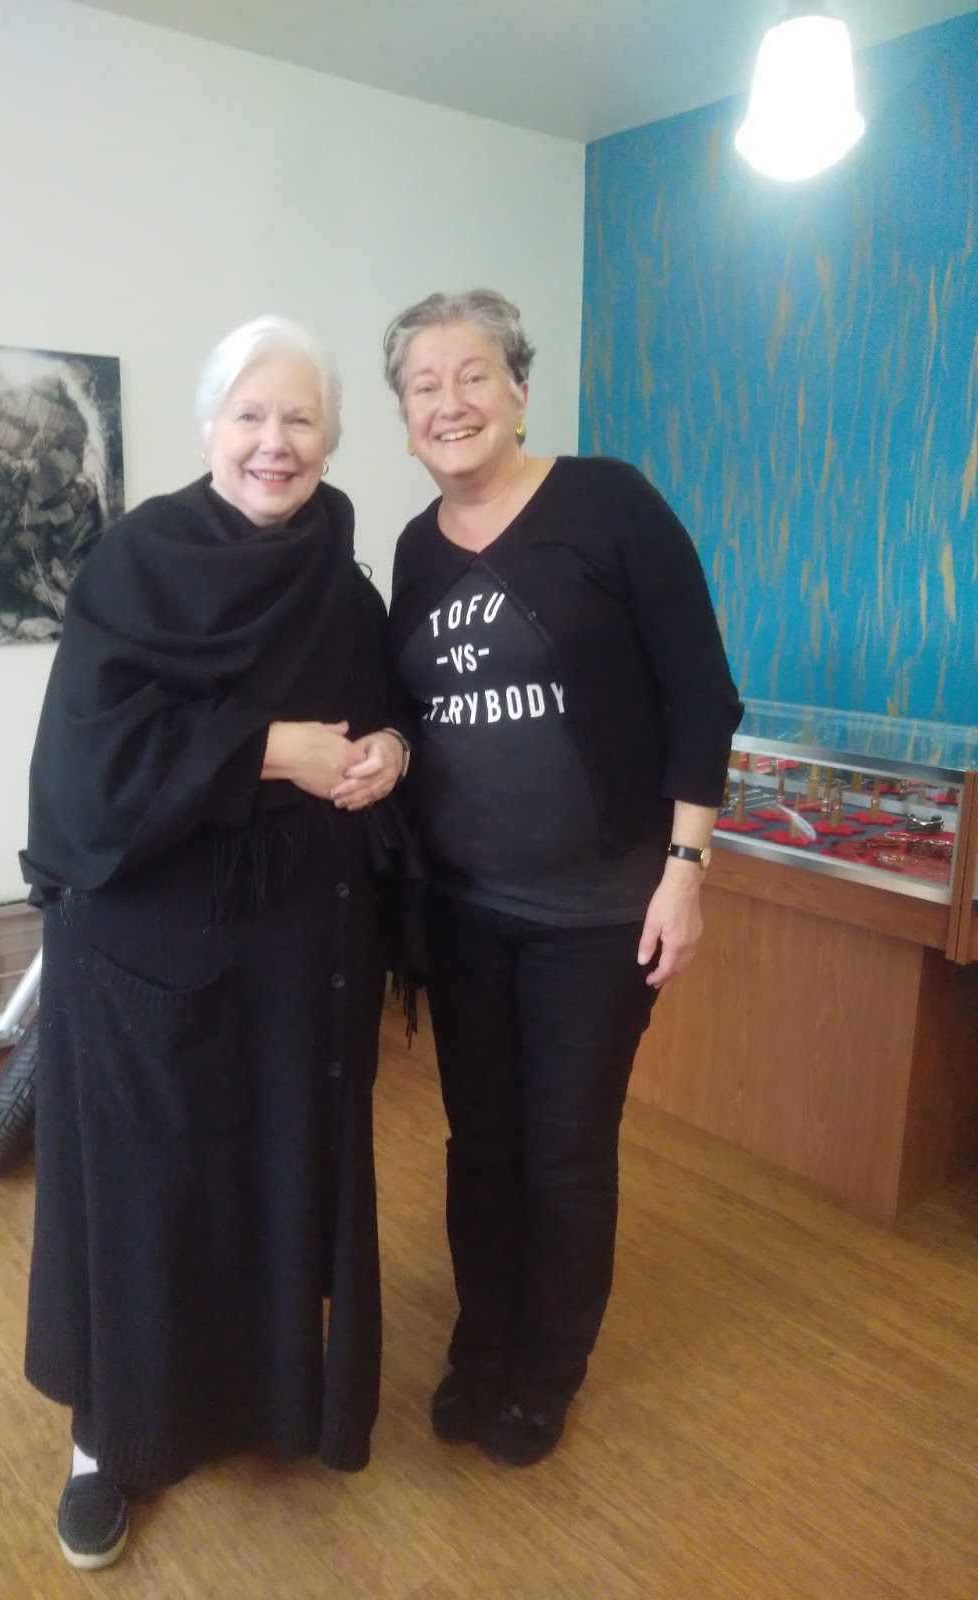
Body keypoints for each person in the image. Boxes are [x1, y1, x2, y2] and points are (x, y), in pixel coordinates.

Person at [19, 316, 408, 1569]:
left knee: (268, 1178)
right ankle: (106, 1439)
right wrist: (268, 751)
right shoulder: (137, 563)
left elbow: (383, 708)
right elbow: (89, 766)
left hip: (293, 950)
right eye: (250, 415)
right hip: (144, 950)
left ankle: (259, 1400)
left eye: (300, 418)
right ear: (208, 428)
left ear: (332, 436)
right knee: (143, 1198)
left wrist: (391, 749)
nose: (273, 442)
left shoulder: (341, 577)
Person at [378, 288, 742, 1467]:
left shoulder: (609, 502)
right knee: (479, 1143)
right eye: (424, 385)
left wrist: (685, 870)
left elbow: (703, 698)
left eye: (473, 375)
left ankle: (544, 1372)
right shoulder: (416, 548)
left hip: (598, 913)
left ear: (521, 390)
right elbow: (414, 714)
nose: (450, 402)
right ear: (403, 418)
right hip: (463, 913)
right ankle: (480, 1343)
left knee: (565, 1148)